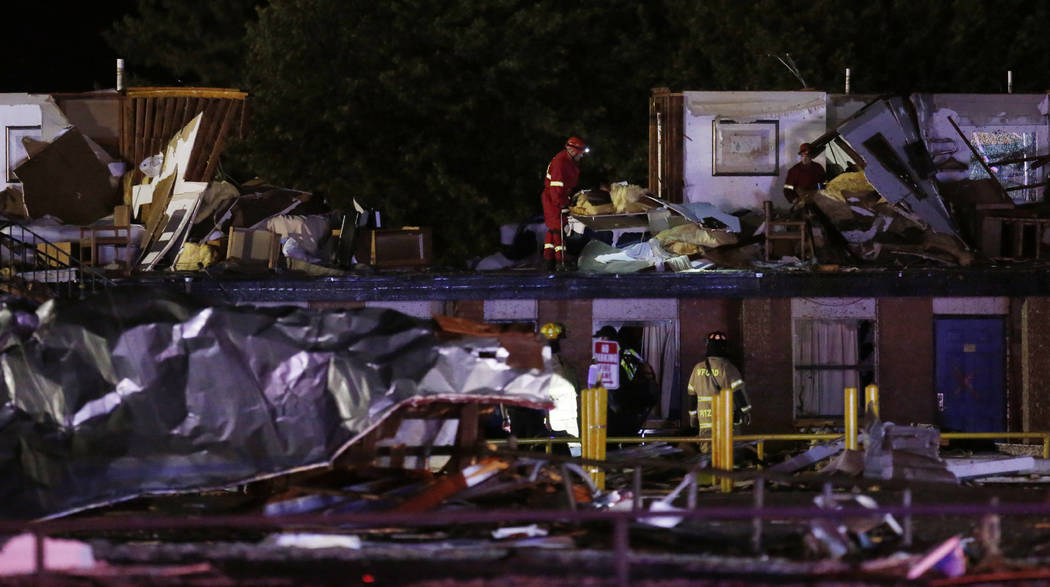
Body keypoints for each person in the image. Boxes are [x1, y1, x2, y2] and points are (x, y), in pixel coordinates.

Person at [687, 331, 751, 442]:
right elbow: (739, 394)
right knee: (729, 455)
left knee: (708, 455)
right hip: (726, 423)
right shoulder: (728, 368)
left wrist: (693, 417)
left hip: (705, 423)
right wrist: (746, 412)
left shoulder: (697, 369)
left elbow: (692, 397)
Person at [594, 326, 657, 437]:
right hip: (628, 404)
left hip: (624, 403)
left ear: (608, 338)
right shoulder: (628, 352)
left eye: (601, 338)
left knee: (614, 441)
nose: (599, 341)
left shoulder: (617, 354)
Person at [540, 136, 588, 272]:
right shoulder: (561, 163)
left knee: (553, 229)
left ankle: (548, 260)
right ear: (573, 150)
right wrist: (561, 205)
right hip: (553, 199)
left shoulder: (567, 161)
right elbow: (556, 188)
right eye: (581, 152)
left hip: (557, 198)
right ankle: (561, 261)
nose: (582, 154)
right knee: (558, 230)